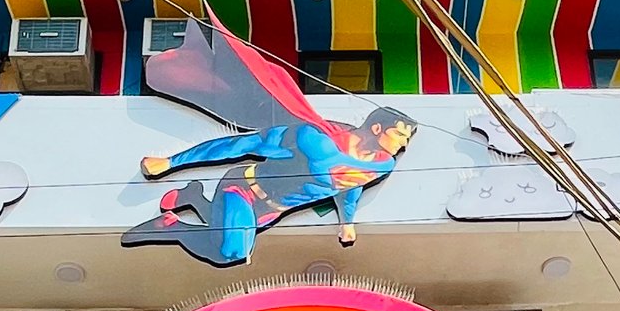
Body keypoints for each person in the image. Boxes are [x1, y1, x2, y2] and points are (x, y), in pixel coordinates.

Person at [123, 106, 416, 268]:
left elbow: (350, 184)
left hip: (270, 213)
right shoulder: (313, 138)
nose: (403, 144)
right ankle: (171, 226)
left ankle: (194, 198)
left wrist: (346, 222)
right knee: (231, 252)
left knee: (225, 231)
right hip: (245, 190)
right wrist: (171, 162)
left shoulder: (382, 164)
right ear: (377, 128)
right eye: (400, 135)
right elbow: (243, 144)